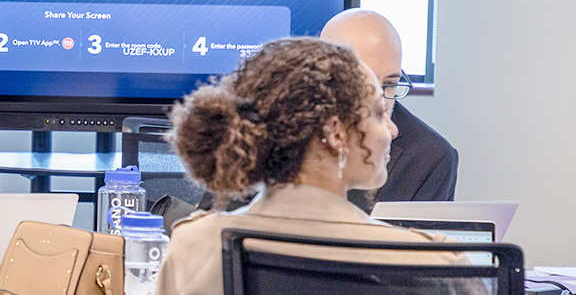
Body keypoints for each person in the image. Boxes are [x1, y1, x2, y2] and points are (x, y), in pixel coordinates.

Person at [156, 37, 483, 295]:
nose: (393, 130)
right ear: (335, 132)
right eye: (379, 115)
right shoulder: (431, 263)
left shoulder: (193, 245)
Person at [320, 9, 459, 212]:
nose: (382, 102)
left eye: (390, 84)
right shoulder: (276, 135)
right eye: (365, 84)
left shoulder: (429, 157)